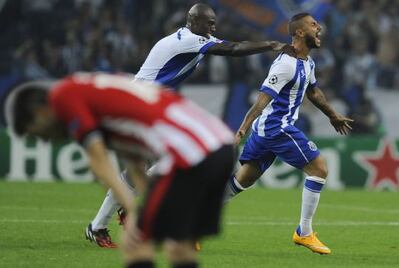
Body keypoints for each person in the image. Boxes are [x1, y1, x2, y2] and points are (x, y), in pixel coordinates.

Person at [86, 2, 295, 248]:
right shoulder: (188, 40)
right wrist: (271, 44)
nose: (213, 27)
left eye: (214, 23)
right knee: (167, 161)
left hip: (147, 106)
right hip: (136, 106)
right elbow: (234, 48)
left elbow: (227, 44)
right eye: (208, 22)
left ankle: (113, 215)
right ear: (192, 20)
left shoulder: (193, 37)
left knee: (154, 165)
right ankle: (101, 224)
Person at [5, 72, 235, 268]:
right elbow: (133, 160)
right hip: (220, 145)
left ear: (39, 111)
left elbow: (97, 158)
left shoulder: (63, 95)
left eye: (34, 131)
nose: (44, 140)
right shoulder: (97, 93)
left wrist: (134, 211)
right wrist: (144, 202)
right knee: (179, 246)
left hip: (190, 153)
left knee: (135, 242)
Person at [224, 13, 353, 255]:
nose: (319, 27)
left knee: (242, 181)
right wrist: (242, 129)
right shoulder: (285, 64)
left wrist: (332, 115)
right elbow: (262, 100)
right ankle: (304, 232)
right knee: (320, 168)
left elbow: (313, 92)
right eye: (313, 24)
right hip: (276, 127)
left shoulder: (307, 62)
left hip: (267, 131)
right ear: (300, 32)